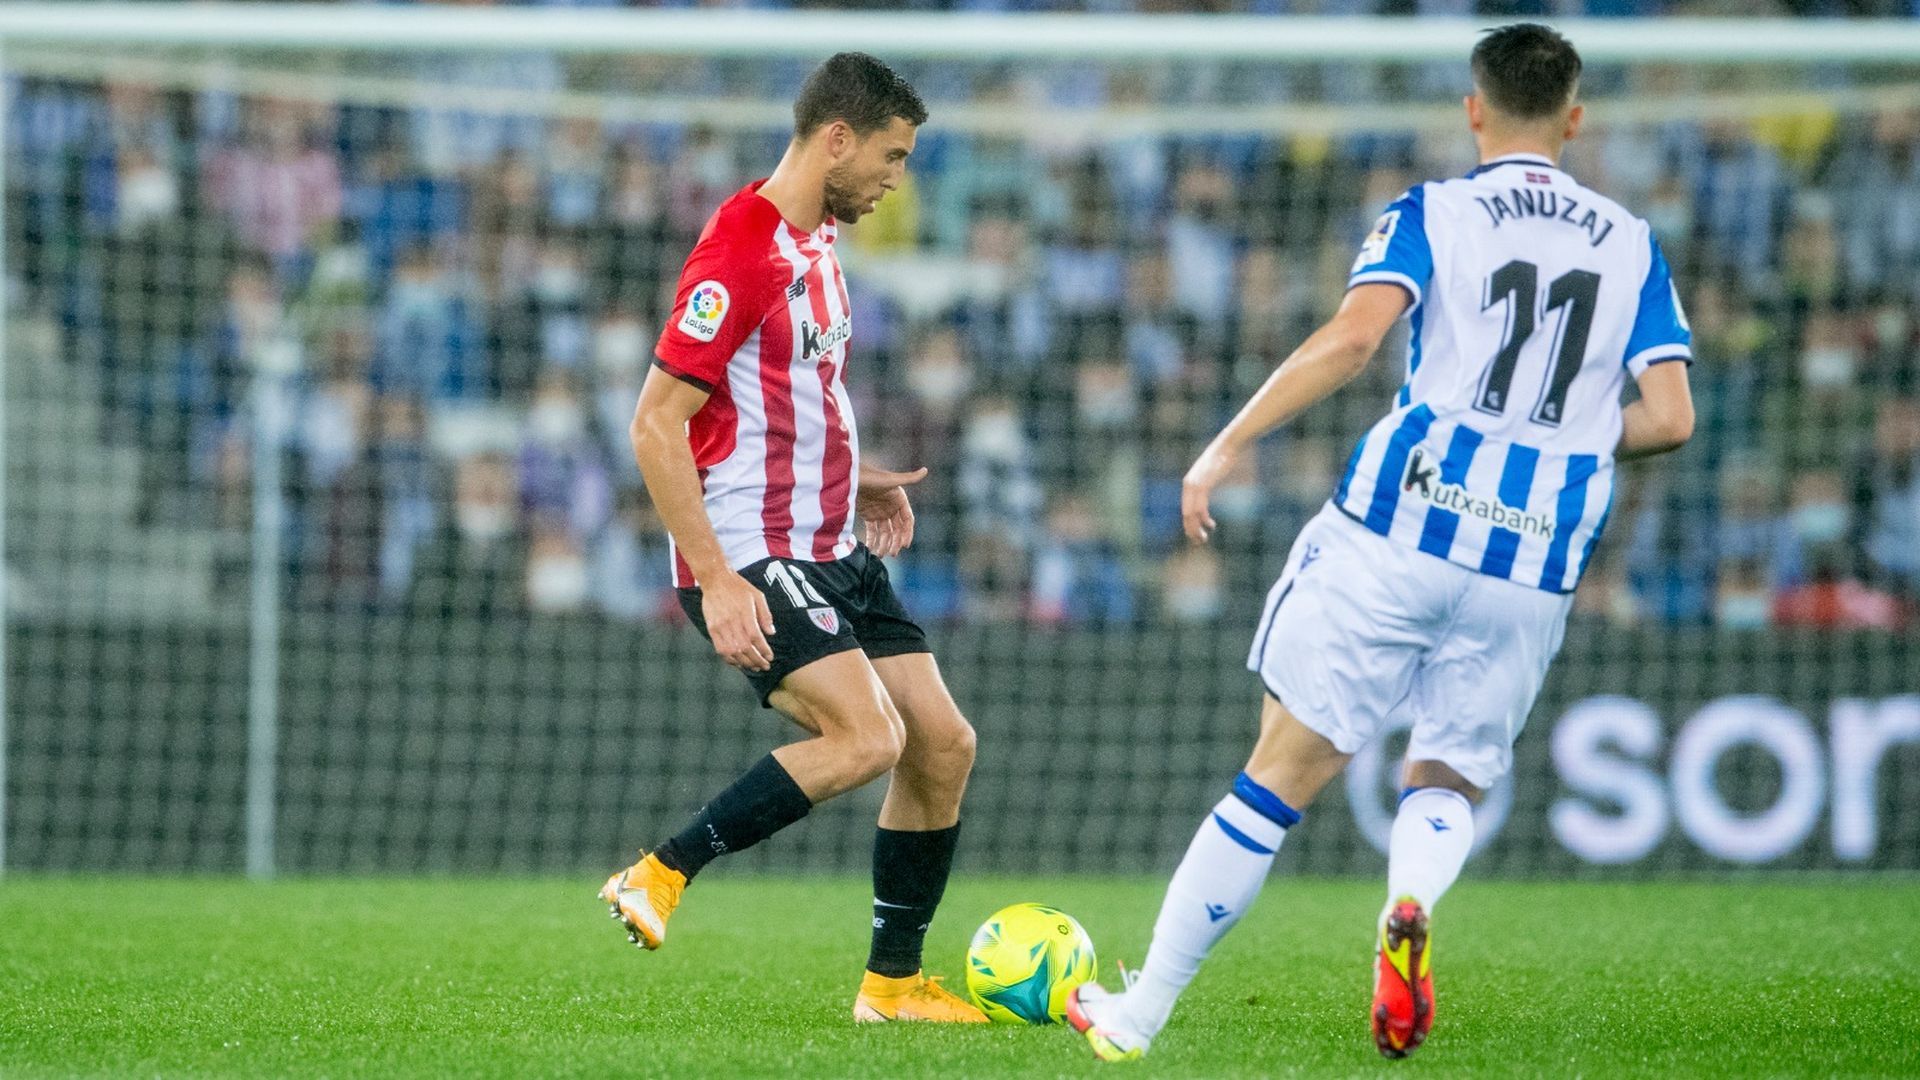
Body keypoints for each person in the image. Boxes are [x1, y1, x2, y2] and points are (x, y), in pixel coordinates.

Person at [1067, 24, 1695, 1062]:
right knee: (1445, 774)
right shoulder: (1632, 244)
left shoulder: (1434, 210)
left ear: (1474, 109)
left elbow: (1355, 339)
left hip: (1402, 524)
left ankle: (1139, 1014)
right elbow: (1670, 417)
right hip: (1534, 552)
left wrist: (1226, 445)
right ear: (1575, 120)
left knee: (1278, 775)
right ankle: (1408, 904)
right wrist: (1564, 444)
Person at [599, 53, 986, 1025]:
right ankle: (658, 872)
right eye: (892, 156)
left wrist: (858, 477)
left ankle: (892, 988)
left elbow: (793, 396)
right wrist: (718, 579)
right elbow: (655, 424)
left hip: (827, 542)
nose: (896, 179)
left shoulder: (817, 241)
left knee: (942, 745)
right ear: (837, 139)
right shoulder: (742, 249)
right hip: (751, 550)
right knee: (868, 737)